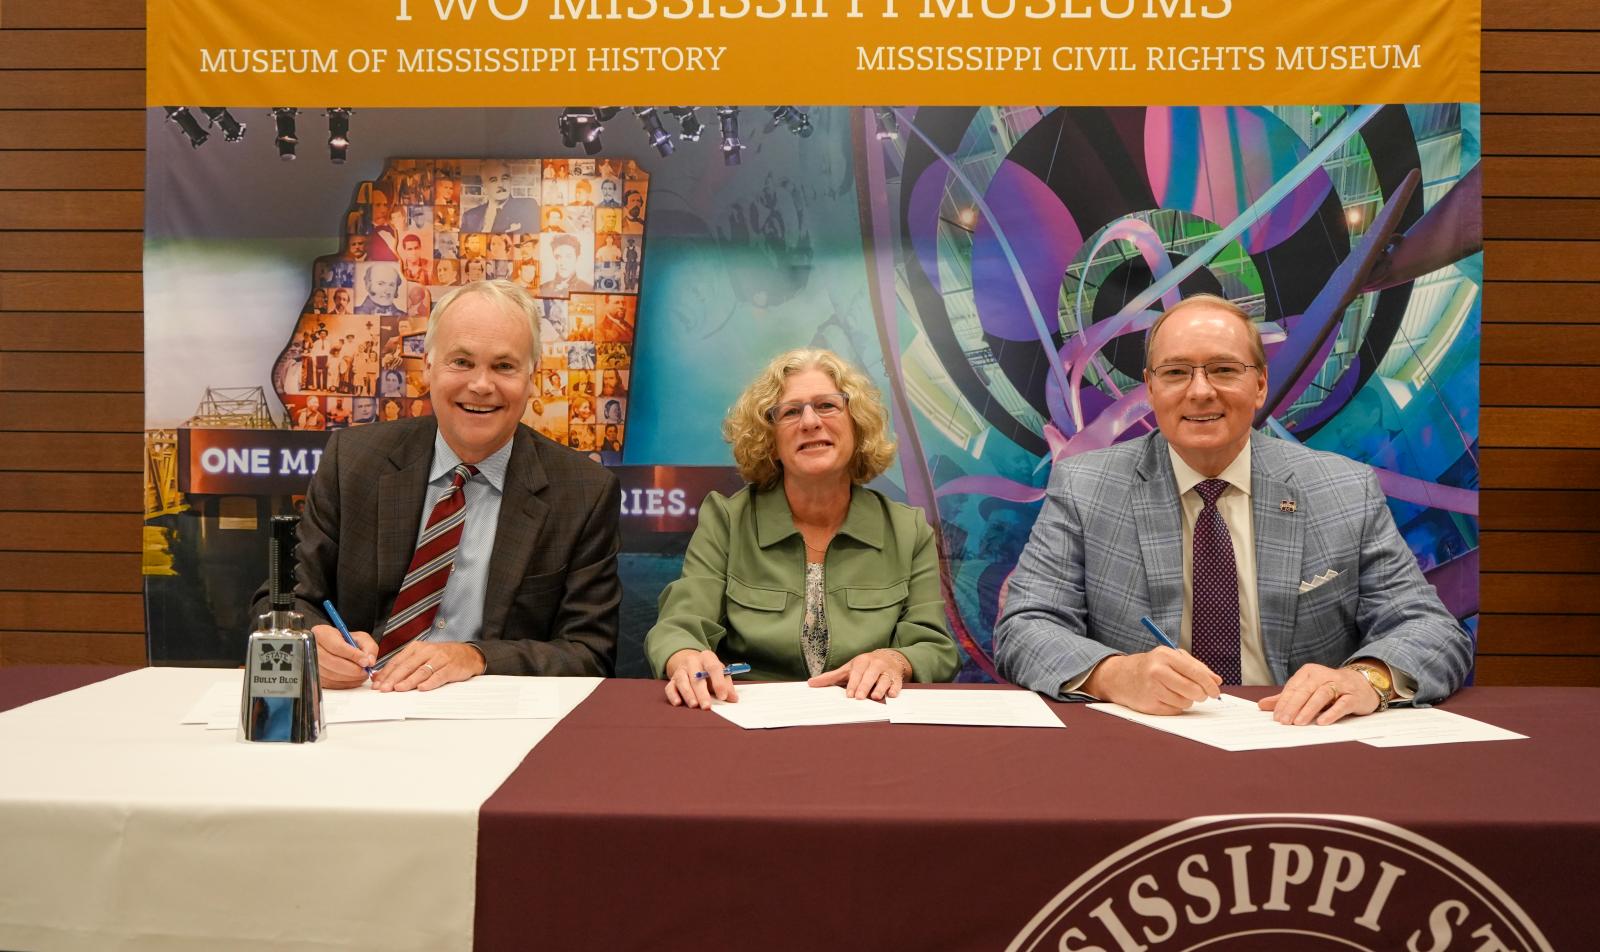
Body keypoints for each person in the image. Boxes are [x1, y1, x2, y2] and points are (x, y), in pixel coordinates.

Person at [993, 294, 1473, 725]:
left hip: (1301, 739)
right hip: (1144, 744)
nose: (1200, 391)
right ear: (1151, 389)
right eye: (1176, 372)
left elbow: (1432, 630)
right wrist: (1113, 674)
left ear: (1260, 384)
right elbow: (1024, 627)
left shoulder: (1344, 490)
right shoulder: (1085, 487)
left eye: (1223, 370)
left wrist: (1368, 680)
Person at [253, 279, 623, 691]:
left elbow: (589, 654)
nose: (482, 385)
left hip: (491, 721)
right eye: (461, 362)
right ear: (427, 366)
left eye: (504, 366)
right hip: (361, 707)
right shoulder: (354, 461)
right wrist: (309, 642)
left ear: (532, 378)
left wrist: (477, 656)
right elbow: (282, 599)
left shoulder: (584, 493)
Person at [645, 348, 960, 709]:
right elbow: (678, 625)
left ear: (857, 426)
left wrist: (896, 662)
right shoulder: (727, 520)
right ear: (770, 440)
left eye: (827, 406)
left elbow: (935, 648)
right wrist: (684, 656)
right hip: (748, 721)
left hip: (866, 719)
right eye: (791, 412)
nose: (810, 422)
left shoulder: (909, 529)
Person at [461, 160, 537, 234]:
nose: (500, 184)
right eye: (493, 180)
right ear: (484, 187)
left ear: (510, 181)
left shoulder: (527, 207)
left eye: (504, 178)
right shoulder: (469, 216)